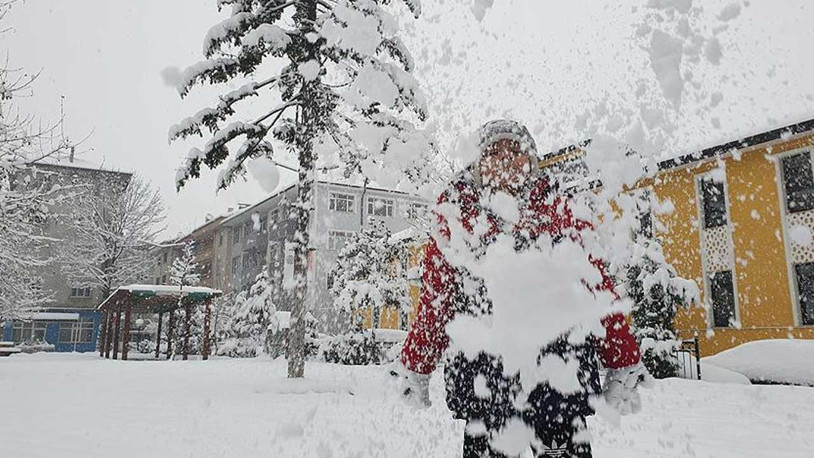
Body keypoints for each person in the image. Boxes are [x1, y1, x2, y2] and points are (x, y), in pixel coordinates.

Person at [395, 120, 650, 458]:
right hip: (485, 383)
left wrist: (622, 358)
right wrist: (417, 364)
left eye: (515, 150)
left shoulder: (559, 206)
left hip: (558, 378)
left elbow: (595, 285)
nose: (505, 159)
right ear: (476, 163)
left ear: (531, 160)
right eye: (493, 151)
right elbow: (437, 300)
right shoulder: (457, 213)